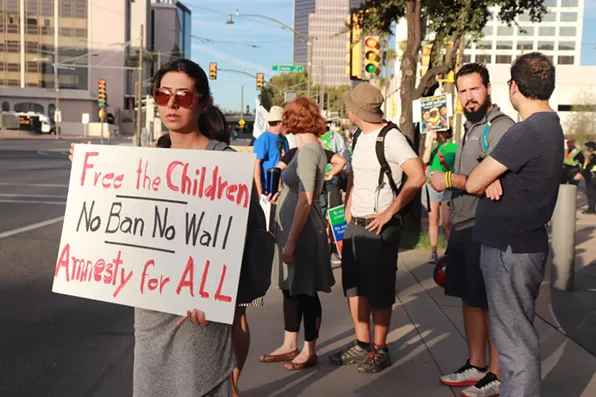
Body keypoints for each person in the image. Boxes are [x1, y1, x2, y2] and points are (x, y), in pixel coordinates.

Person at [71, 59, 235, 397]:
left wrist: (221, 298)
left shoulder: (225, 163)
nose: (172, 104)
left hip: (198, 321)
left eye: (184, 96)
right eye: (162, 95)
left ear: (203, 103)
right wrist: (91, 174)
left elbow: (245, 249)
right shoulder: (150, 160)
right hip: (150, 317)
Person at [466, 52, 564, 397]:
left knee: (514, 342)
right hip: (525, 244)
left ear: (514, 87)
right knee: (516, 336)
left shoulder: (526, 131)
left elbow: (475, 182)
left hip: (509, 250)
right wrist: (497, 173)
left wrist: (479, 175)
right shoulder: (550, 127)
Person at [429, 63, 514, 397]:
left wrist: (453, 181)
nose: (468, 96)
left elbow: (498, 177)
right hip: (464, 227)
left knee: (489, 303)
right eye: (462, 91)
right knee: (469, 298)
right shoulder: (469, 128)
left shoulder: (499, 127)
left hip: (486, 225)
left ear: (488, 88)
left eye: (474, 89)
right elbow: (481, 179)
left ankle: (495, 373)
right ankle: (476, 365)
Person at [329, 83, 425, 373]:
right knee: (354, 287)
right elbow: (357, 172)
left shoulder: (392, 137)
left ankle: (380, 350)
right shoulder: (359, 135)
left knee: (380, 290)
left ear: (357, 111)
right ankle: (362, 344)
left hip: (380, 226)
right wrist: (346, 208)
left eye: (349, 107)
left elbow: (417, 176)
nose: (347, 110)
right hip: (355, 223)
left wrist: (389, 212)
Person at [259, 97, 335, 370]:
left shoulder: (309, 151)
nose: (284, 122)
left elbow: (305, 199)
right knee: (291, 287)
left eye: (287, 117)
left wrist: (291, 240)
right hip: (294, 231)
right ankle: (290, 343)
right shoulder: (307, 149)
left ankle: (308, 349)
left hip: (301, 234)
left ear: (295, 119)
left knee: (305, 290)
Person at [422, 128, 457, 263]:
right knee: (433, 219)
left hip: (448, 186)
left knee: (447, 221)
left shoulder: (454, 147)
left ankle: (451, 250)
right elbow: (425, 159)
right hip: (431, 186)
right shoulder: (432, 147)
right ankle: (434, 251)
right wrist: (430, 142)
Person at [253, 106, 289, 196]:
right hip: (268, 190)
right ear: (280, 123)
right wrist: (259, 189)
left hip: (284, 189)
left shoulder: (284, 139)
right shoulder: (263, 139)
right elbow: (256, 163)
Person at [581, 141, 596, 214]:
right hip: (593, 176)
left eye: (588, 147)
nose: (587, 149)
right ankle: (591, 209)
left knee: (591, 193)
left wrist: (583, 173)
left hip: (592, 176)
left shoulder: (593, 155)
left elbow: (589, 166)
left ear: (591, 148)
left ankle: (591, 210)